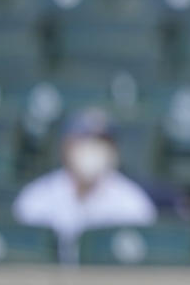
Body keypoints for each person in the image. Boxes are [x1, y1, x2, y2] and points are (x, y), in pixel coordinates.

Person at [12, 108, 157, 263]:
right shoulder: (37, 197)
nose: (92, 148)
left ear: (114, 149)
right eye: (84, 139)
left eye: (101, 141)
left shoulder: (132, 201)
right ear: (66, 145)